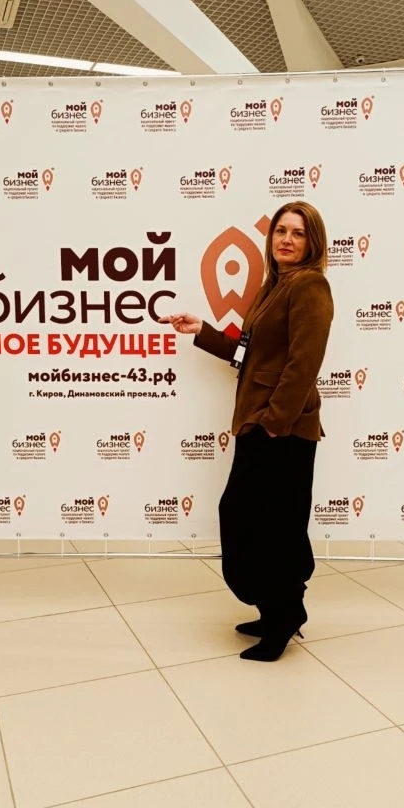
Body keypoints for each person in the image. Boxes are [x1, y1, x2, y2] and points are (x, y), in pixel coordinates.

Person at [159, 201, 333, 662]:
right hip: (259, 424)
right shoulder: (273, 286)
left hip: (282, 430)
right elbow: (250, 353)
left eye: (298, 233)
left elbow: (303, 364)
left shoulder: (310, 285)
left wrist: (273, 423)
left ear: (312, 242)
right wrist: (203, 330)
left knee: (275, 527)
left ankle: (283, 617)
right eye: (281, 231)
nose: (287, 240)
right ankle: (278, 609)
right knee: (254, 521)